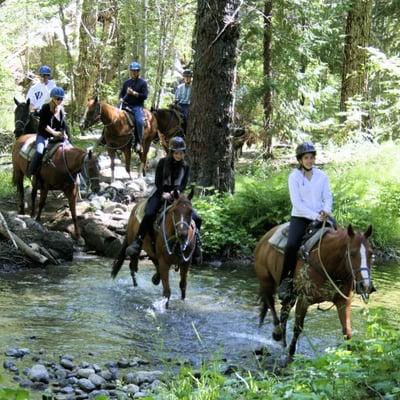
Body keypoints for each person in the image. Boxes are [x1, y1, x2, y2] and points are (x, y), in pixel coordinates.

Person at [126, 136, 203, 264]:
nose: (179, 155)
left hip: (176, 196)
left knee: (197, 218)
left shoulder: (185, 166)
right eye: (176, 153)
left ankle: (196, 248)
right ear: (172, 152)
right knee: (149, 213)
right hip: (160, 192)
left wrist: (176, 192)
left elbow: (183, 184)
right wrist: (163, 193)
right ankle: (138, 241)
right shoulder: (162, 163)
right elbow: (157, 181)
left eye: (181, 152)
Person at [277, 142, 333, 302]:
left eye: (311, 157)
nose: (309, 160)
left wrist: (326, 210)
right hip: (301, 217)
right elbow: (297, 204)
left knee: (340, 237)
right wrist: (316, 216)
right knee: (291, 245)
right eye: (306, 158)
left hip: (322, 215)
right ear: (300, 160)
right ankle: (285, 281)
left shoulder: (322, 176)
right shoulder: (294, 177)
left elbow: (328, 197)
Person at [27, 86, 69, 178]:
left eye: (61, 99)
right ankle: (32, 172)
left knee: (70, 149)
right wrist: (53, 133)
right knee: (39, 152)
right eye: (58, 98)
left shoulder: (61, 110)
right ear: (53, 98)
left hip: (57, 137)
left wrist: (64, 134)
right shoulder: (45, 107)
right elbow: (43, 125)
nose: (60, 100)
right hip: (44, 135)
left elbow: (63, 126)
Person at [119, 62, 148, 152]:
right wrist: (121, 99)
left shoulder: (143, 83)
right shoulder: (126, 82)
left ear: (138, 71)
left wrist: (134, 93)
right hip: (126, 105)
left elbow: (145, 96)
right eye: (132, 71)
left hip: (137, 106)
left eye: (136, 71)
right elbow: (121, 94)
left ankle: (139, 141)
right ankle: (105, 138)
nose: (134, 72)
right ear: (130, 71)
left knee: (139, 121)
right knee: (113, 116)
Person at [174, 69, 192, 134]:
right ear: (183, 78)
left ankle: (185, 133)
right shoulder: (180, 87)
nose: (187, 78)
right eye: (185, 77)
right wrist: (175, 103)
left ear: (191, 78)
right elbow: (176, 98)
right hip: (179, 105)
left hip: (188, 106)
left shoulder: (193, 87)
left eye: (188, 77)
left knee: (186, 118)